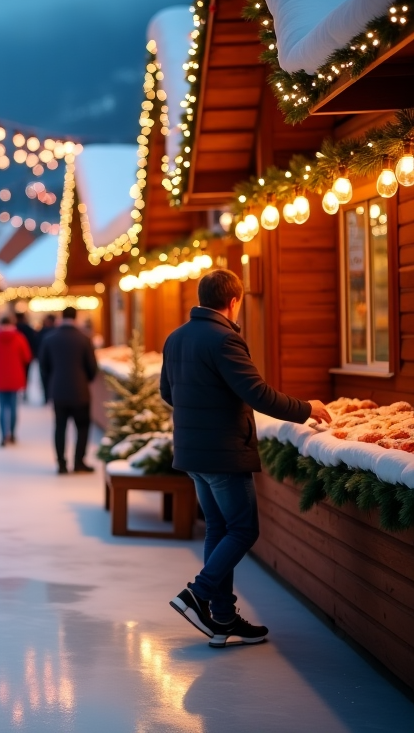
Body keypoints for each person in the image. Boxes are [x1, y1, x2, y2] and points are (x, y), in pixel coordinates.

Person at [162, 269, 330, 648]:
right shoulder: (224, 340)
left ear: (202, 297)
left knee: (219, 529)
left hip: (192, 454)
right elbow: (257, 394)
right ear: (234, 302)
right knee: (243, 529)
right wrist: (307, 408)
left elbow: (168, 393)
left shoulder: (175, 338)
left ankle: (222, 619)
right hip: (223, 454)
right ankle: (197, 594)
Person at [38, 306, 97, 474]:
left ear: (60, 318)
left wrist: (52, 381)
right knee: (83, 427)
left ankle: (61, 464)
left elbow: (43, 365)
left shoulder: (50, 338)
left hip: (58, 390)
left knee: (60, 427)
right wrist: (86, 379)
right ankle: (79, 461)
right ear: (76, 317)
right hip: (80, 391)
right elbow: (92, 367)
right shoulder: (84, 339)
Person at [0, 316, 33, 446]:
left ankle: (3, 435)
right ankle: (12, 433)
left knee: (2, 407)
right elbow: (27, 357)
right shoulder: (19, 338)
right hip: (15, 376)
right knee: (13, 407)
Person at [36, 313, 57, 404]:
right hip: (51, 359)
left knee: (46, 379)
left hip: (46, 359)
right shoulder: (55, 331)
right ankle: (49, 397)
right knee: (49, 378)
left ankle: (47, 397)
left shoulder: (43, 332)